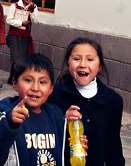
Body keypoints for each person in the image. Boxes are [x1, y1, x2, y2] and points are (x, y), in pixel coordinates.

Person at [0, 53, 83, 166]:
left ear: (51, 89)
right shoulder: (3, 114)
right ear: (15, 84)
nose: (35, 88)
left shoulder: (56, 116)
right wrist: (9, 124)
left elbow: (60, 154)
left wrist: (72, 140)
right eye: (28, 80)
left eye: (42, 82)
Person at [49, 37, 125, 166]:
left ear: (100, 66)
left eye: (90, 59)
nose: (83, 64)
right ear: (68, 63)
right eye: (76, 59)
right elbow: (42, 133)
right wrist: (63, 121)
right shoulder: (54, 94)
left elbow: (113, 145)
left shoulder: (113, 101)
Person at [5, 0, 39, 85]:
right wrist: (21, 23)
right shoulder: (14, 6)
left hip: (25, 36)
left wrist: (32, 11)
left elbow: (35, 21)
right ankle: (17, 79)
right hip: (14, 35)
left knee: (22, 58)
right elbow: (9, 20)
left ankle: (11, 77)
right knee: (16, 58)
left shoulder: (33, 6)